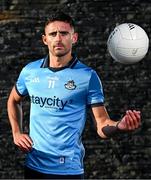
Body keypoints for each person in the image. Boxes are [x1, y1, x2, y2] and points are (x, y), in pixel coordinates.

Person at [7, 10, 141, 179]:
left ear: (74, 38)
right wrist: (16, 132)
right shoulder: (30, 71)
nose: (58, 38)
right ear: (45, 39)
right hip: (33, 166)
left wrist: (118, 126)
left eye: (64, 33)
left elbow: (101, 124)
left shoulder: (87, 76)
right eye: (53, 34)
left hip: (68, 170)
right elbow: (13, 100)